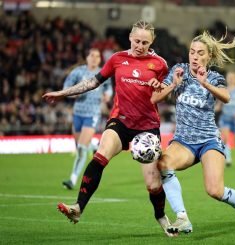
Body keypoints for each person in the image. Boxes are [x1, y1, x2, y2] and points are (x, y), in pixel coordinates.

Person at [43, 20, 174, 237]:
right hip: (120, 120)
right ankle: (78, 208)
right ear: (130, 38)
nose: (140, 45)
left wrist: (161, 87)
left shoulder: (160, 64)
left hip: (147, 127)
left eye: (145, 42)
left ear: (152, 42)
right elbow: (93, 82)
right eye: (137, 41)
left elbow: (166, 92)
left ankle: (160, 215)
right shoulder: (116, 59)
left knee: (152, 184)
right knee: (100, 154)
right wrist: (62, 93)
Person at [151, 31, 235, 237]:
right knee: (163, 164)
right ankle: (182, 217)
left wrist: (205, 83)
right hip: (184, 141)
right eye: (192, 52)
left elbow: (226, 97)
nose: (194, 56)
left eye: (199, 53)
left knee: (215, 190)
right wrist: (174, 85)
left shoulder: (214, 77)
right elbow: (154, 98)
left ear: (208, 57)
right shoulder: (178, 71)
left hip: (209, 140)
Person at [61, 48, 112, 190]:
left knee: (82, 149)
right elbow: (66, 87)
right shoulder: (78, 72)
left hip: (92, 114)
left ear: (100, 59)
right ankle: (94, 147)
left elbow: (108, 88)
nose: (95, 58)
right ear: (87, 57)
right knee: (79, 146)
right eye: (92, 55)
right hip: (78, 113)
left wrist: (107, 95)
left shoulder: (103, 73)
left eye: (97, 56)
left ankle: (72, 179)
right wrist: (73, 94)